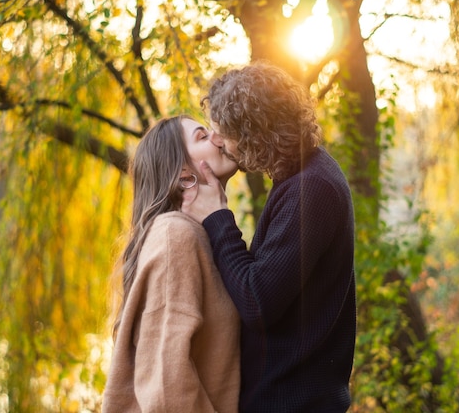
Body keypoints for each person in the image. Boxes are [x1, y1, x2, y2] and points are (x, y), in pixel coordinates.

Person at [181, 62, 357, 413]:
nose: (216, 140)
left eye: (221, 132)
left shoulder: (312, 188)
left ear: (255, 132)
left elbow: (257, 303)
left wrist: (218, 217)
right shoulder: (298, 180)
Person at [102, 115, 241, 413]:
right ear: (183, 173)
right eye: (202, 136)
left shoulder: (201, 235)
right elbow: (167, 387)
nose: (218, 138)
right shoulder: (175, 236)